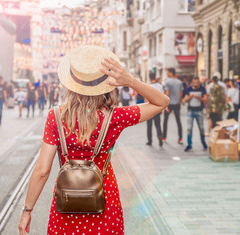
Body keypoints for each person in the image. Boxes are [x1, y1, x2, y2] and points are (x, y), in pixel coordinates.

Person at [18, 45, 170, 235]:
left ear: (72, 84)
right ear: (106, 86)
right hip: (104, 202)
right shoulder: (115, 117)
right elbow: (162, 102)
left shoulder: (56, 117)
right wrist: (129, 81)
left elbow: (42, 171)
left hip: (66, 204)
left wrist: (27, 211)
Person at [183, 77, 208, 152]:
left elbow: (205, 100)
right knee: (189, 128)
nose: (196, 84)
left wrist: (199, 98)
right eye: (194, 83)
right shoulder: (189, 89)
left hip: (199, 111)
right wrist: (190, 97)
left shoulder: (202, 89)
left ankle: (203, 143)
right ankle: (189, 144)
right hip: (190, 111)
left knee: (201, 128)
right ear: (192, 82)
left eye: (197, 83)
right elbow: (185, 100)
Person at [163, 67, 183, 144]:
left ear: (171, 73)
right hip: (177, 104)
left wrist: (166, 105)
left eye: (168, 72)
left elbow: (167, 94)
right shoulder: (179, 82)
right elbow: (181, 94)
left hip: (170, 104)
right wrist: (180, 103)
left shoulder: (167, 82)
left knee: (165, 121)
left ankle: (164, 137)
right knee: (178, 121)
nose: (167, 74)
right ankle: (180, 138)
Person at [146, 73, 164, 147]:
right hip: (157, 108)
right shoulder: (160, 86)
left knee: (149, 125)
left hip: (150, 108)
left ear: (150, 78)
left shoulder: (147, 86)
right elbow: (162, 97)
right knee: (158, 124)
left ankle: (150, 141)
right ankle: (160, 135)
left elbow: (146, 99)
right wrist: (161, 109)